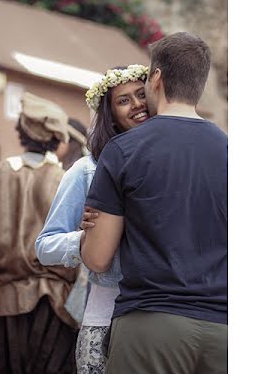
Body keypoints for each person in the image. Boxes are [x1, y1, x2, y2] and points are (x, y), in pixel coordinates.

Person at [81, 32, 227, 374]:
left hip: (150, 323)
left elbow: (98, 258)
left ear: (157, 77)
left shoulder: (122, 150)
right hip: (225, 326)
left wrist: (89, 233)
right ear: (200, 83)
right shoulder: (231, 152)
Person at [36, 64, 151, 374]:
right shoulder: (86, 170)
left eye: (142, 95)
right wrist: (88, 240)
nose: (137, 105)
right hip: (106, 314)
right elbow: (44, 246)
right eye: (124, 100)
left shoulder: (173, 162)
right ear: (110, 113)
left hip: (163, 317)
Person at [0, 93, 78, 374]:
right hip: (56, 306)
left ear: (22, 131)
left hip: (3, 304)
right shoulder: (64, 179)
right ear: (58, 137)